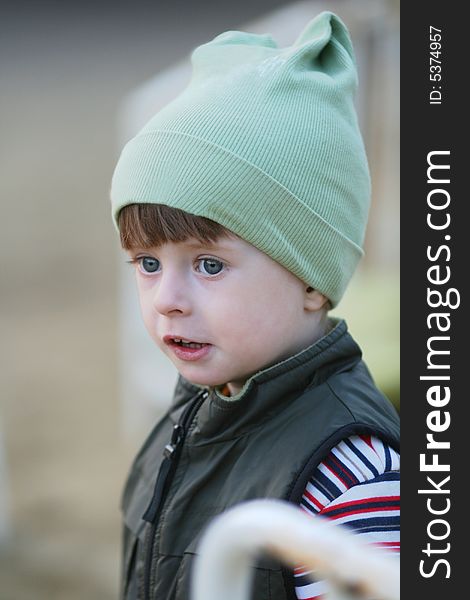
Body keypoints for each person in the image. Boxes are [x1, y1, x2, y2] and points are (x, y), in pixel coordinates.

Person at [110, 11, 400, 600]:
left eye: (209, 265)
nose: (167, 300)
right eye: (147, 263)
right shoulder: (194, 412)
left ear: (311, 280)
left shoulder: (351, 478)